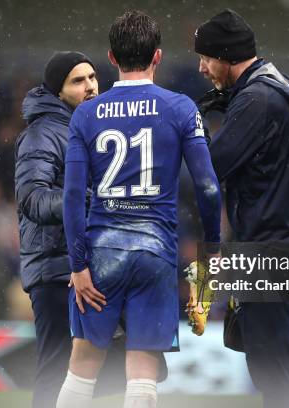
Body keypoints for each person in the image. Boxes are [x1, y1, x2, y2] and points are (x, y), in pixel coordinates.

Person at [57, 11, 222, 408]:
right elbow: (208, 188)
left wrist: (78, 266)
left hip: (101, 254)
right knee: (143, 377)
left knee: (82, 371)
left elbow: (73, 195)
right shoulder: (181, 108)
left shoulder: (86, 113)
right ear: (159, 56)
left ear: (111, 58)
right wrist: (211, 253)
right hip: (155, 253)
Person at [194, 9, 289, 408]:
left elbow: (210, 169)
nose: (201, 68)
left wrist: (194, 124)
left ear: (227, 56)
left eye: (206, 58)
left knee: (275, 376)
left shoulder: (255, 99)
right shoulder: (276, 86)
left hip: (270, 253)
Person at [14, 51, 98, 408]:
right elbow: (32, 198)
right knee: (57, 370)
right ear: (58, 91)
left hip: (79, 265)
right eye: (78, 81)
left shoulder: (84, 127)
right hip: (54, 268)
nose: (91, 86)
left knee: (92, 368)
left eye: (93, 77)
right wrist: (86, 200)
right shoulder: (43, 133)